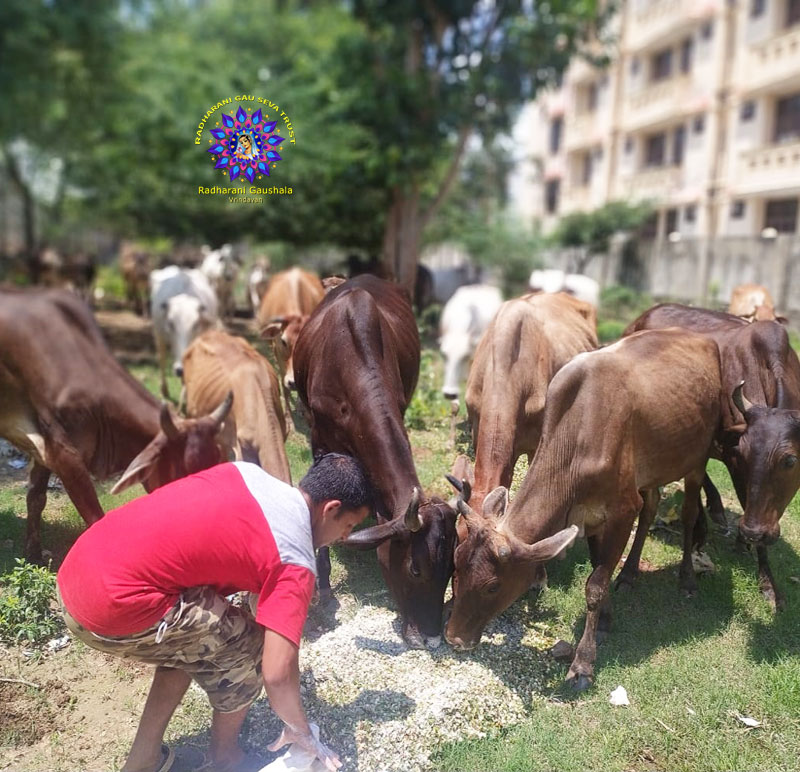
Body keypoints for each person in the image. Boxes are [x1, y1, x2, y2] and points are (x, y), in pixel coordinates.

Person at [56, 453, 374, 772]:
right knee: (250, 648)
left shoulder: (247, 474)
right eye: (348, 526)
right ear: (330, 509)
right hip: (109, 605)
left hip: (80, 566)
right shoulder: (295, 559)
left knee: (197, 640)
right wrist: (300, 730)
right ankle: (225, 758)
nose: (344, 537)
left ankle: (143, 760)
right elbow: (277, 673)